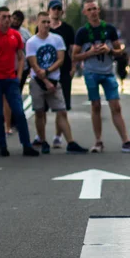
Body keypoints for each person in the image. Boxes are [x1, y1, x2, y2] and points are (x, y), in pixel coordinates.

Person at [73, 0, 130, 153]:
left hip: (108, 72)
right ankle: (98, 141)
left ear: (99, 10)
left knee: (116, 107)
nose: (92, 12)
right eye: (89, 9)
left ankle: (126, 141)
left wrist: (109, 50)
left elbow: (121, 52)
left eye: (94, 8)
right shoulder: (82, 32)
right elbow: (74, 56)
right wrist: (90, 52)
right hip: (91, 73)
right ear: (85, 13)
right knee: (95, 106)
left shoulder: (109, 29)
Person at [26, 12, 88, 154]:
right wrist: (45, 81)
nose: (47, 25)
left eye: (48, 22)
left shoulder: (57, 39)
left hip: (54, 79)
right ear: (37, 23)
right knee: (39, 112)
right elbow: (34, 65)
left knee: (61, 111)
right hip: (38, 82)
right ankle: (43, 141)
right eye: (43, 22)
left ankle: (70, 142)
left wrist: (48, 72)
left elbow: (60, 59)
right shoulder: (31, 42)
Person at [0, 6, 39, 157]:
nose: (7, 19)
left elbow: (21, 57)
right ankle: (2, 145)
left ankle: (26, 145)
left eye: (9, 16)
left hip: (11, 79)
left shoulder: (15, 35)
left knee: (19, 112)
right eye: (4, 17)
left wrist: (19, 76)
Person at [32, 0, 79, 150]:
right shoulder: (36, 36)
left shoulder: (66, 30)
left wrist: (73, 67)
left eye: (59, 9)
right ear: (48, 10)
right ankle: (41, 137)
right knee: (41, 109)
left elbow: (70, 52)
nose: (56, 11)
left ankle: (60, 137)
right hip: (41, 76)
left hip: (61, 73)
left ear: (62, 11)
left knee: (61, 108)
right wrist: (42, 75)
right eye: (54, 9)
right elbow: (34, 57)